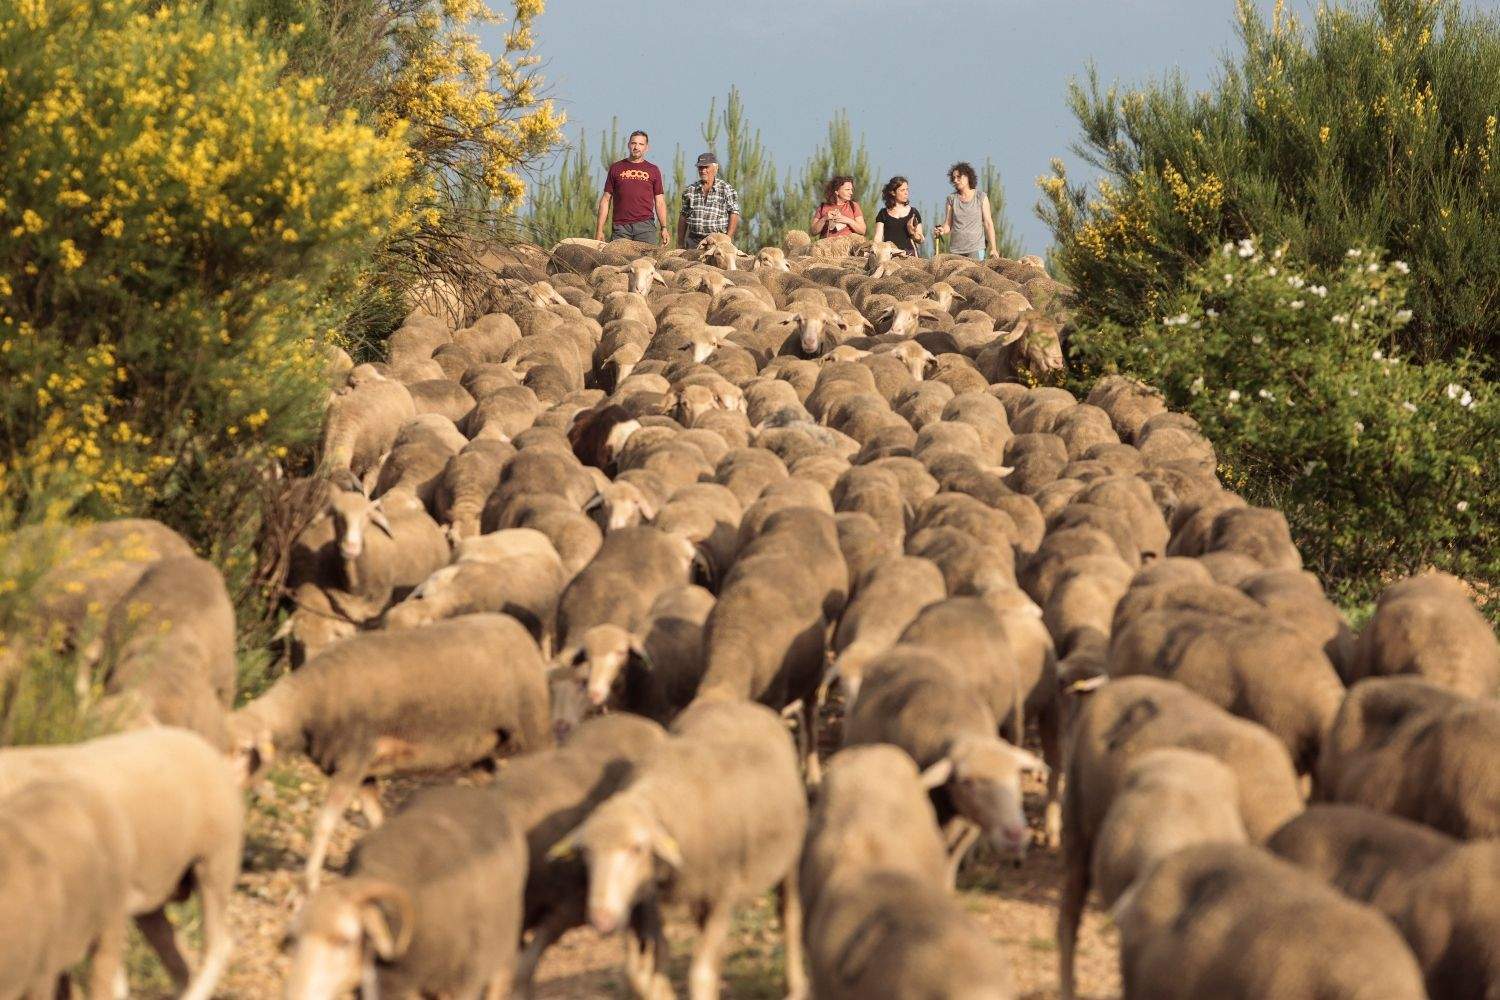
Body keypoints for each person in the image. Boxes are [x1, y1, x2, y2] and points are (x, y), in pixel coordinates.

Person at [595, 130, 670, 246]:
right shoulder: (616, 168)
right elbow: (605, 200)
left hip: (645, 227)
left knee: (647, 262)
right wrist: (599, 229)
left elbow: (659, 202)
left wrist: (664, 227)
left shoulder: (653, 170)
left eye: (641, 144)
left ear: (647, 147)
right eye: (634, 143)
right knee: (618, 262)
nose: (636, 147)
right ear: (628, 145)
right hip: (621, 228)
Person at [933, 161, 998, 260]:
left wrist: (993, 248)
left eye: (959, 177)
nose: (955, 180)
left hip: (976, 248)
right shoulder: (951, 199)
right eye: (953, 178)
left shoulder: (980, 197)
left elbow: (988, 223)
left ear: (967, 177)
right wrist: (942, 230)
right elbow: (948, 225)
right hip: (956, 250)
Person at [677, 152, 741, 250]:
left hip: (717, 241)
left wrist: (728, 238)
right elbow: (683, 216)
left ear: (715, 168)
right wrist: (680, 242)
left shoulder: (725, 189)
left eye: (706, 167)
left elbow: (734, 213)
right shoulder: (690, 190)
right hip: (694, 242)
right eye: (700, 168)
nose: (703, 171)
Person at [872, 175, 924, 256]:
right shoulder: (883, 213)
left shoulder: (914, 213)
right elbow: (877, 238)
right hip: (890, 255)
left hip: (910, 256)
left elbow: (921, 239)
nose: (906, 193)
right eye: (902, 190)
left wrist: (912, 233)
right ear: (893, 192)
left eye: (907, 189)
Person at [811, 176, 866, 240]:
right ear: (837, 191)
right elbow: (813, 232)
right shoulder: (822, 207)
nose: (851, 193)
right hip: (827, 247)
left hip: (847, 247)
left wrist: (846, 220)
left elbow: (862, 230)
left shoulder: (853, 206)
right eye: (847, 189)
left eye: (851, 189)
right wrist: (824, 218)